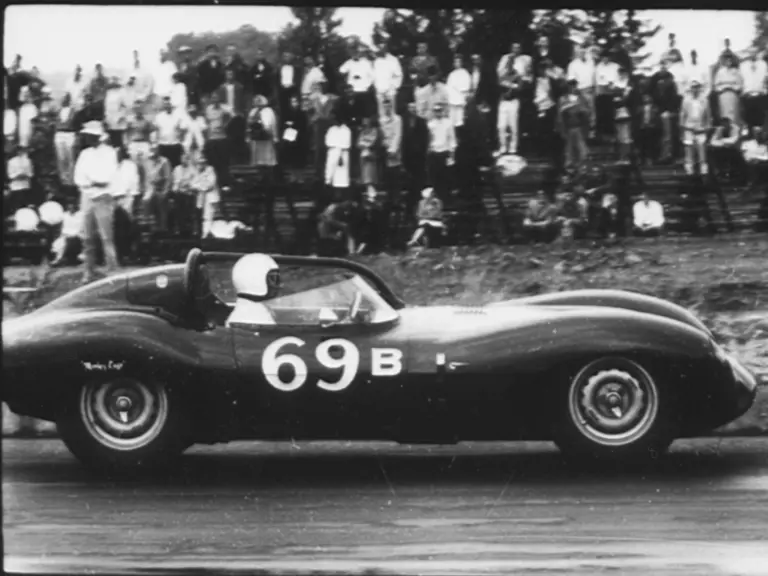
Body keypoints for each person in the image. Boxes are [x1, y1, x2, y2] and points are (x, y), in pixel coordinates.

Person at [73, 120, 119, 282]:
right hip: (87, 197)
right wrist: (91, 183)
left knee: (106, 237)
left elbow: (107, 177)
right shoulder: (85, 154)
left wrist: (93, 181)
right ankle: (89, 271)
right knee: (87, 237)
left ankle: (113, 272)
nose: (88, 138)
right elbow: (78, 177)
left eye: (91, 136)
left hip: (103, 198)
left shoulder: (109, 153)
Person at [226, 253, 280, 327]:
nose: (280, 285)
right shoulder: (249, 317)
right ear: (256, 279)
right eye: (274, 279)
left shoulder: (253, 311)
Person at [679, 79, 712, 176]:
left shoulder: (704, 100)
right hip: (689, 129)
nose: (695, 89)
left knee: (702, 154)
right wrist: (682, 128)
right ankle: (690, 173)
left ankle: (704, 174)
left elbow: (708, 115)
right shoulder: (686, 100)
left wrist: (707, 127)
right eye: (693, 87)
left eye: (697, 87)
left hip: (701, 129)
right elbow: (682, 114)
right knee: (689, 154)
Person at [246, 94, 278, 169]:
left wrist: (275, 136)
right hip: (256, 138)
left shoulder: (269, 111)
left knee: (267, 158)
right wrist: (248, 136)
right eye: (257, 101)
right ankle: (260, 173)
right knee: (257, 158)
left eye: (260, 101)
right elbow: (248, 124)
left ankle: (268, 174)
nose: (258, 103)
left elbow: (273, 124)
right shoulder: (253, 111)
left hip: (266, 137)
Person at [50, 199, 84, 267]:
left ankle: (60, 259)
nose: (71, 208)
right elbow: (63, 228)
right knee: (61, 242)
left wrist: (73, 234)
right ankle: (59, 259)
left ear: (76, 206)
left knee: (68, 240)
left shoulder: (81, 215)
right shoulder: (65, 215)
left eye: (73, 207)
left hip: (78, 236)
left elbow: (81, 228)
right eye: (69, 207)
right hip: (66, 236)